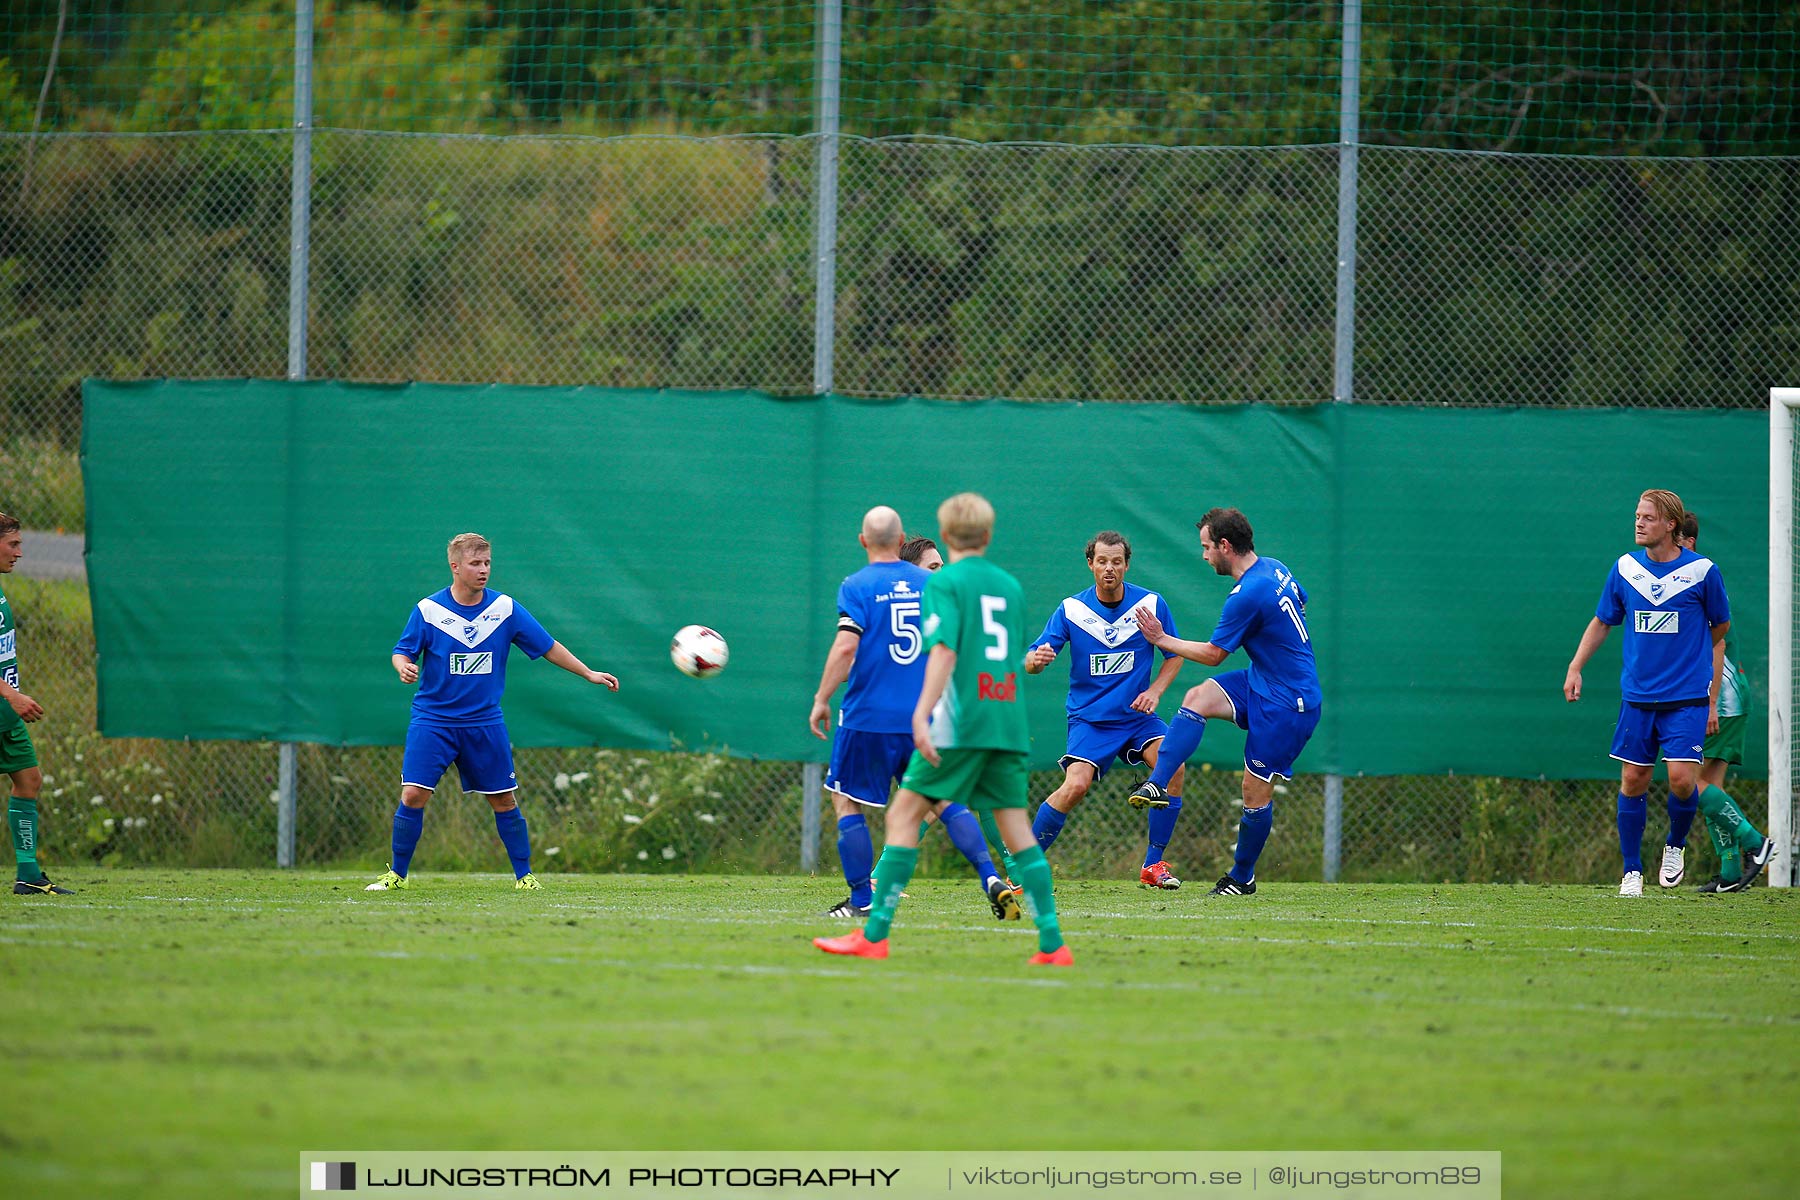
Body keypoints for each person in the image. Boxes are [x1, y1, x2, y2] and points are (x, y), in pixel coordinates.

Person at [815, 493, 1071, 965]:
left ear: (947, 537)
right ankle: (1052, 942)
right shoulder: (1010, 587)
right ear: (988, 537)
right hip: (1007, 719)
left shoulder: (944, 584)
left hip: (962, 721)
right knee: (1015, 828)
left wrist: (923, 711)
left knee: (902, 817)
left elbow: (945, 652)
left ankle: (873, 934)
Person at [367, 532, 619, 892]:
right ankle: (398, 876)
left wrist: (589, 673)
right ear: (455, 567)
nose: (483, 570)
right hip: (434, 720)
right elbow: (402, 650)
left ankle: (524, 877)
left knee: (503, 798)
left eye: (487, 563)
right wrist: (402, 666)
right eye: (474, 563)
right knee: (413, 795)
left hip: (484, 722)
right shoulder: (429, 611)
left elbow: (548, 646)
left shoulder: (504, 609)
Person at [1563, 490, 1775, 896]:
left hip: (1685, 699)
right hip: (1638, 697)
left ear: (1671, 525)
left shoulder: (1702, 572)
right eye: (1637, 516)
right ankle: (1631, 872)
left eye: (1648, 517)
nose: (1638, 523)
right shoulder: (1625, 569)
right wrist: (1576, 667)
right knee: (1634, 778)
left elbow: (1720, 627)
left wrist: (1691, 667)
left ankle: (1674, 846)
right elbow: (1603, 621)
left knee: (1681, 781)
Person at [809, 507, 1011, 920]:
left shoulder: (857, 585)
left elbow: (847, 647)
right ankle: (990, 876)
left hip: (868, 717)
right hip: (925, 717)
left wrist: (821, 698)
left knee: (846, 802)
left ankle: (862, 899)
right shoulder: (936, 586)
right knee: (943, 802)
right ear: (901, 541)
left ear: (863, 541)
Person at [1127, 508, 1323, 897]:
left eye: (1206, 547)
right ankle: (1157, 784)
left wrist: (1161, 639)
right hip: (1263, 680)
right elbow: (1301, 599)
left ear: (1225, 546)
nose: (1203, 556)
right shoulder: (1273, 567)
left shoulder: (1248, 593)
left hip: (1290, 702)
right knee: (1197, 697)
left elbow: (1215, 654)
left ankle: (1242, 876)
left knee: (1254, 791)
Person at [1024, 531, 1187, 888]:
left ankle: (1153, 865)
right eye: (1102, 561)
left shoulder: (1151, 605)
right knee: (1076, 786)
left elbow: (1174, 655)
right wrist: (1037, 660)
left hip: (1136, 716)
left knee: (1172, 766)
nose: (1109, 568)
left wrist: (1156, 690)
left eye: (1116, 561)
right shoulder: (1072, 609)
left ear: (1126, 565)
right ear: (1090, 564)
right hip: (1090, 719)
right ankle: (1025, 867)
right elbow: (1030, 662)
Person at [1671, 512, 1776, 893]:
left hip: (1723, 698)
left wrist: (1711, 703)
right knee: (1707, 786)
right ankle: (1732, 873)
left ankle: (1755, 843)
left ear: (1687, 540)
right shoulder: (1683, 577)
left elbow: (1717, 644)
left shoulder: (1695, 576)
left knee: (1689, 786)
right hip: (1727, 696)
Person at [0, 514, 73, 895]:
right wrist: (12, 694)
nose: (20, 553)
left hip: (5, 716)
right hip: (6, 704)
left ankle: (28, 874)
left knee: (29, 781)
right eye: (13, 544)